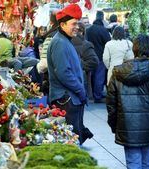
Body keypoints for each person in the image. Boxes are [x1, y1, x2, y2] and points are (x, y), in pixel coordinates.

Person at [106, 34, 149, 169]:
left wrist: (114, 124)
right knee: (147, 161)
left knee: (133, 162)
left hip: (127, 124)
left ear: (134, 49)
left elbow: (111, 103)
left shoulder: (118, 72)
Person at [47, 4, 93, 145]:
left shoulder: (64, 40)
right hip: (67, 98)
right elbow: (63, 73)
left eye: (78, 24)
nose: (77, 27)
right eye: (74, 23)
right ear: (62, 24)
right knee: (72, 140)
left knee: (74, 137)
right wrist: (80, 89)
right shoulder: (60, 42)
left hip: (70, 98)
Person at [86, 11, 111, 103]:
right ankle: (97, 95)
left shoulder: (88, 30)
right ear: (102, 18)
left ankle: (91, 94)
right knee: (99, 77)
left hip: (89, 56)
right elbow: (108, 43)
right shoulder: (103, 30)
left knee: (90, 76)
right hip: (100, 56)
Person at [71, 22, 99, 100]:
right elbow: (94, 62)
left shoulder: (66, 42)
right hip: (82, 81)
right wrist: (80, 65)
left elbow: (94, 61)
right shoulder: (86, 44)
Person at [37, 11, 59, 96]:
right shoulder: (61, 35)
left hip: (52, 77)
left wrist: (37, 68)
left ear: (51, 22)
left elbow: (44, 63)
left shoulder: (51, 36)